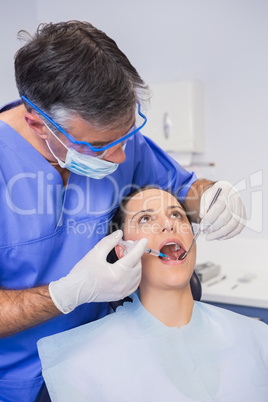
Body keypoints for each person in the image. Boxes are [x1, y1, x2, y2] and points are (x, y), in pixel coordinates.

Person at [0, 20, 246, 400]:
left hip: (103, 358)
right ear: (38, 123)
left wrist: (215, 198)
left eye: (127, 134)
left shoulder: (246, 342)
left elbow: (184, 190)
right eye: (99, 147)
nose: (120, 157)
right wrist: (66, 294)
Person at [38, 187, 268, 402]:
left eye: (177, 215)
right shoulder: (79, 365)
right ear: (122, 250)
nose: (168, 224)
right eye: (145, 219)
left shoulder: (258, 338)